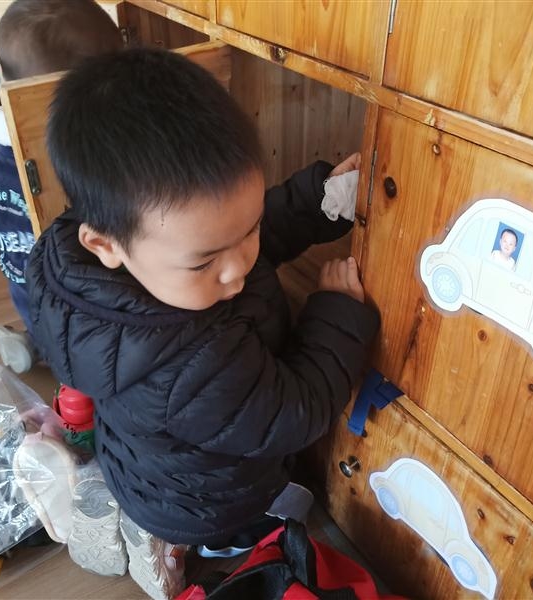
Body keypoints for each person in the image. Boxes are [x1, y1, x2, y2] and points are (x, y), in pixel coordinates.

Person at [25, 47, 380, 598]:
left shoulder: (112, 243)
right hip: (206, 504)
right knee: (273, 517)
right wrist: (335, 314)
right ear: (106, 245)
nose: (239, 266)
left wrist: (318, 202)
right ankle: (200, 545)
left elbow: (233, 230)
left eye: (250, 227)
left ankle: (138, 515)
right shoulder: (187, 361)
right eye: (205, 262)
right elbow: (296, 412)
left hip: (145, 463)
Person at [0, 0, 123, 374]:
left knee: (43, 307)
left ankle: (34, 343)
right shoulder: (65, 162)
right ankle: (52, 353)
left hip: (29, 292)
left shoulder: (2, 149)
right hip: (71, 309)